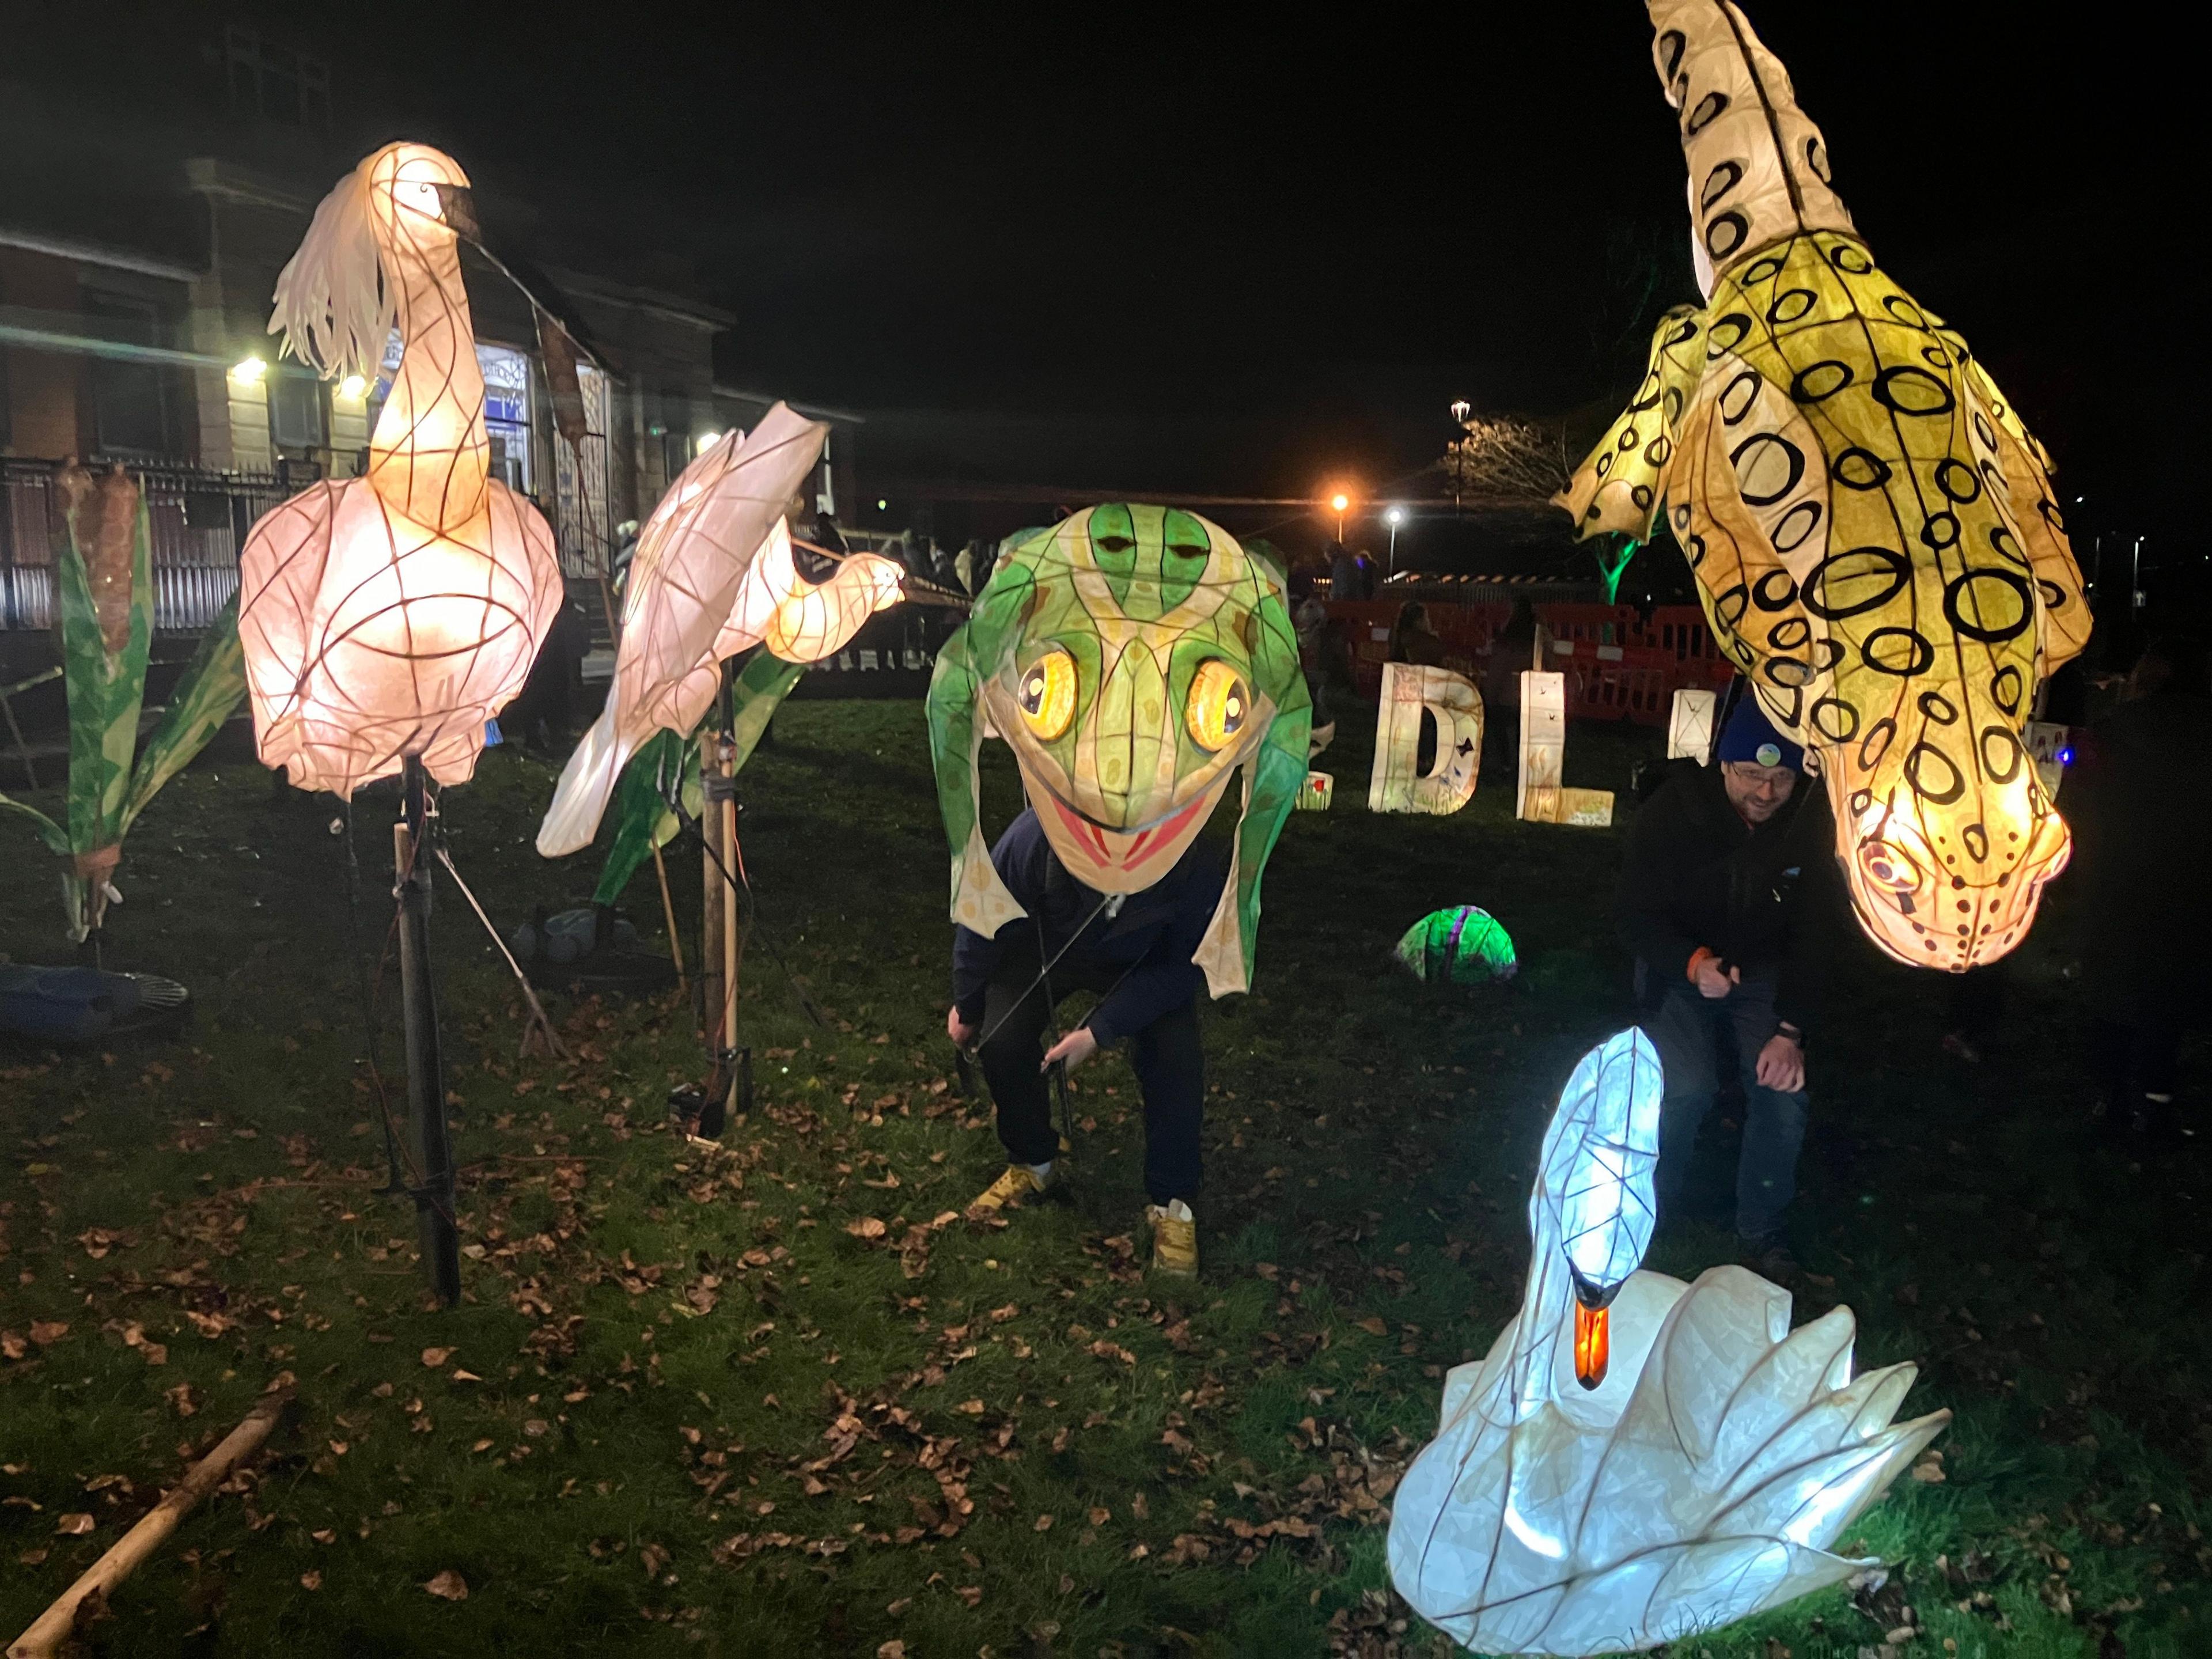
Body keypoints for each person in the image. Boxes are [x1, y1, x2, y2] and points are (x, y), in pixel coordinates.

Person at [1617, 694, 1839, 1276]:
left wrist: (1791, 1030)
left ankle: (1761, 1228)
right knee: (1683, 1086)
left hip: (1763, 975)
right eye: (1750, 775)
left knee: (1782, 1094)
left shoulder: (1812, 826)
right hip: (1681, 968)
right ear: (1723, 766)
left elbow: (1820, 931)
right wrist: (1692, 964)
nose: (1765, 793)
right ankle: (1646, 1210)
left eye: (1781, 778)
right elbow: (1635, 914)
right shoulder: (1672, 812)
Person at [946, 808, 1222, 1276]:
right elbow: (982, 915)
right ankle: (1033, 1162)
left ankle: (1172, 1202)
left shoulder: (1197, 852)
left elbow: (1185, 966)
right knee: (1002, 1037)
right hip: (1053, 946)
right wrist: (969, 1006)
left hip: (1149, 962)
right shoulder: (1036, 835)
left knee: (1177, 1060)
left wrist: (1101, 1030)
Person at [2070, 635, 2212, 1138]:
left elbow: (2077, 796)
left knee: (2113, 984)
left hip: (2115, 876)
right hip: (2185, 880)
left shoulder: (2110, 731)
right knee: (2167, 989)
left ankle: (2110, 1098)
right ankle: (2156, 1098)